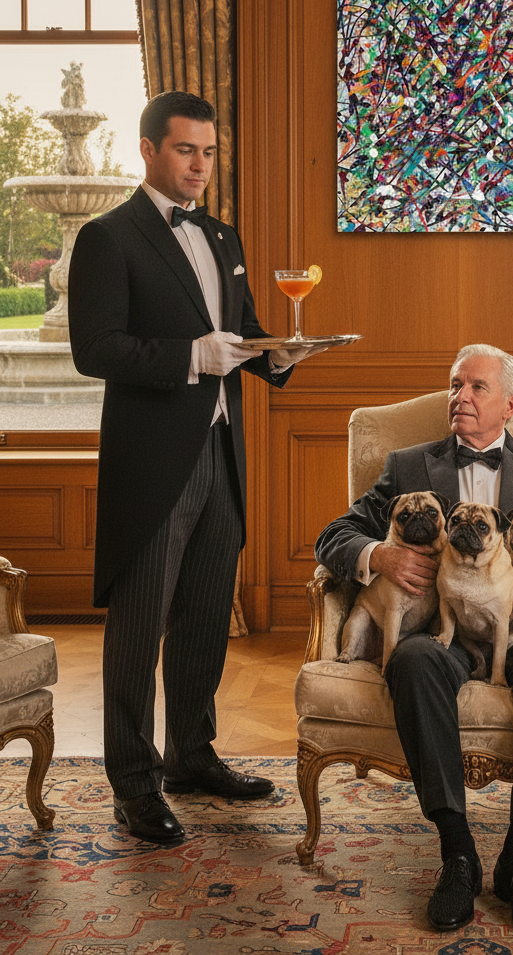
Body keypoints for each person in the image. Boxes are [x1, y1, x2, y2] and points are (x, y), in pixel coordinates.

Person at [68, 90, 324, 846]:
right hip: (152, 466)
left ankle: (191, 755)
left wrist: (280, 353)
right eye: (186, 151)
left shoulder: (221, 234)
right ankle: (133, 785)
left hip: (222, 452)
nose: (201, 166)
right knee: (138, 630)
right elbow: (96, 349)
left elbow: (239, 334)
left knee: (205, 619)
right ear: (148, 150)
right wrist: (189, 358)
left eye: (209, 153)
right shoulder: (107, 237)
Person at [315, 344, 513, 935]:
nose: (459, 397)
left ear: (510, 404)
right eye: (454, 385)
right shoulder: (408, 466)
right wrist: (379, 555)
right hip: (441, 634)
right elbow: (334, 535)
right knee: (410, 662)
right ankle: (457, 852)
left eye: (476, 388)